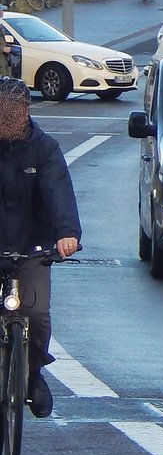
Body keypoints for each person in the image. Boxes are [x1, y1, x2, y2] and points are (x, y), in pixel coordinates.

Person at [0, 78, 82, 418]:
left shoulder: (44, 149)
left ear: (25, 112)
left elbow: (58, 192)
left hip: (32, 246)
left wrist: (66, 233)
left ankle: (33, 374)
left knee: (36, 313)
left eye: (13, 111)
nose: (7, 117)